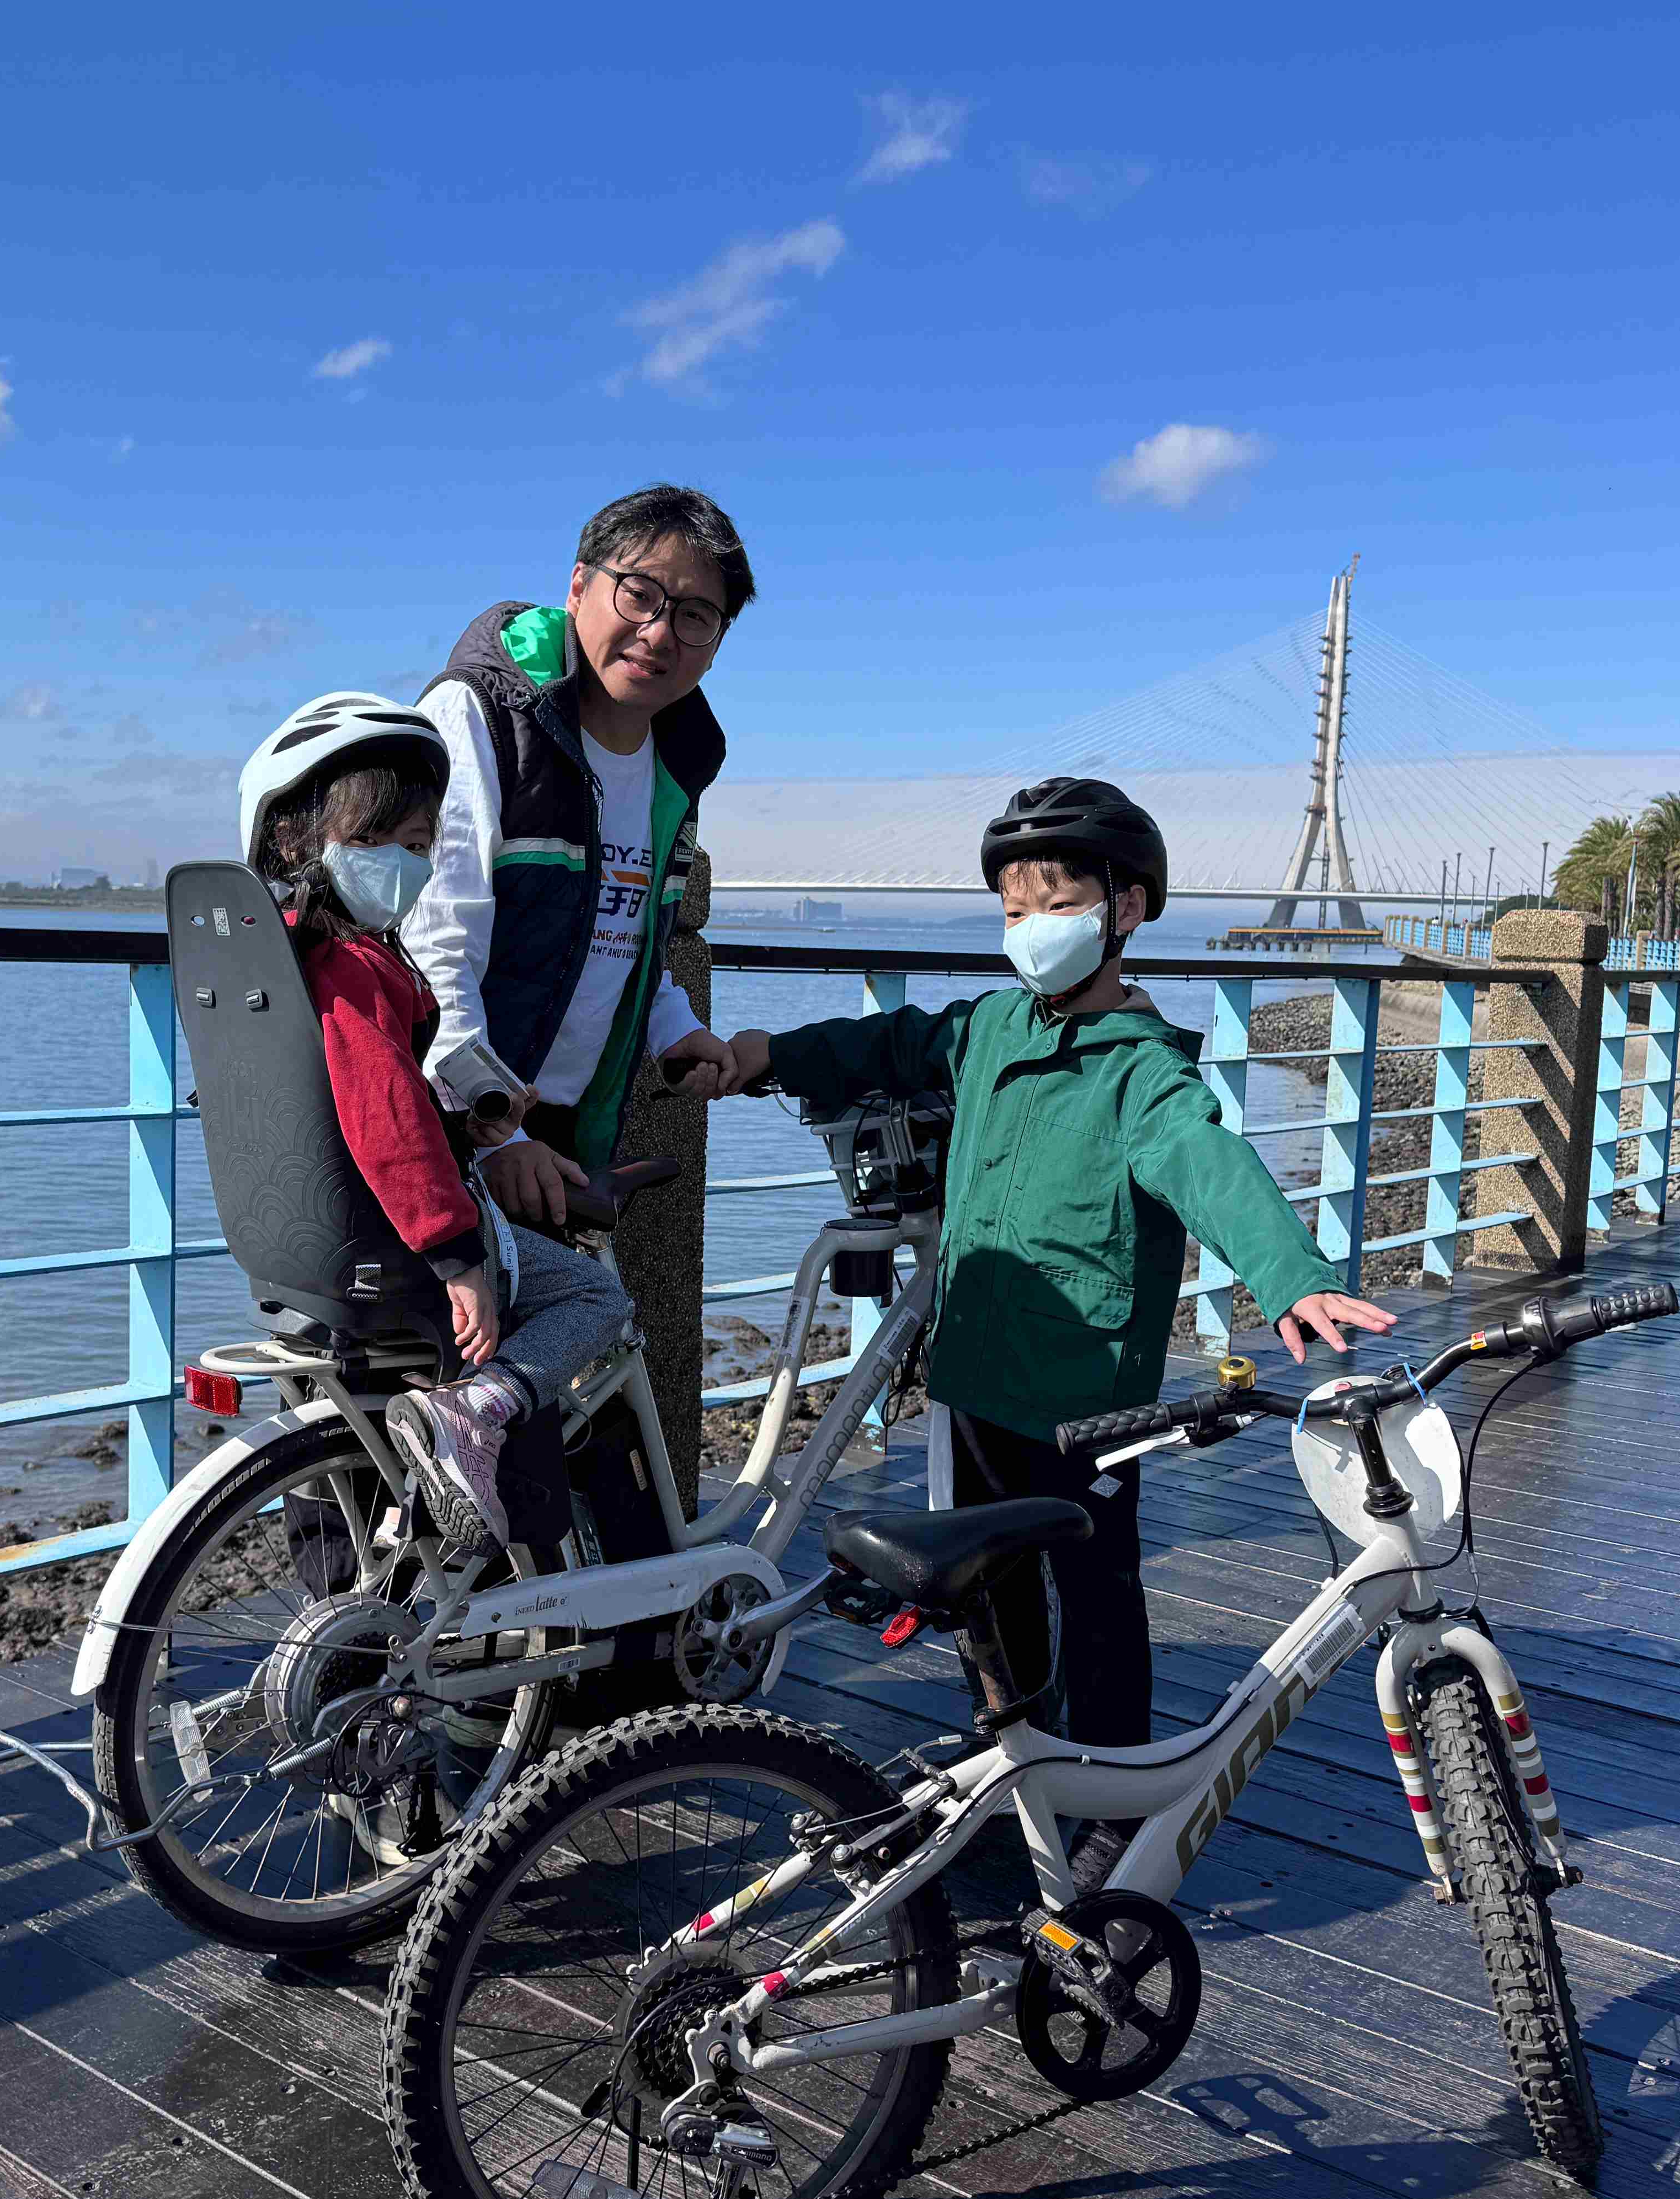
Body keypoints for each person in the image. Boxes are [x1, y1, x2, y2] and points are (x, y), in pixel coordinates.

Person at [715, 777, 1396, 1763]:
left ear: (1127, 908)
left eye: (1060, 905)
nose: (1033, 930)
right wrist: (762, 1054)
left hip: (1087, 1394)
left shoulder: (1144, 1070)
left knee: (1098, 1594)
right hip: (975, 1370)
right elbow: (890, 1044)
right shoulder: (991, 1027)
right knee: (986, 1586)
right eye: (1014, 913)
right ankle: (1015, 1754)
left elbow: (1207, 1163)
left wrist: (1291, 1274)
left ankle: (1115, 1786)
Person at [237, 692, 632, 1547]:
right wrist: (461, 1259)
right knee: (595, 1295)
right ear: (295, 841)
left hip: (309, 1238)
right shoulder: (358, 967)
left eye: (418, 846)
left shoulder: (287, 960)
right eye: (373, 842)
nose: (402, 864)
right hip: (403, 1241)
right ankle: (476, 1411)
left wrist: (467, 1124)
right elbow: (385, 1116)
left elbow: (358, 1102)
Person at [402, 485, 746, 1229]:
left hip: (562, 1131)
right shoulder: (483, 717)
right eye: (640, 594)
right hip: (448, 1125)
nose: (660, 633)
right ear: (580, 586)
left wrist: (674, 1027)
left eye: (695, 616)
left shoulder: (676, 763)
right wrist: (493, 1130)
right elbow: (433, 946)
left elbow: (623, 930)